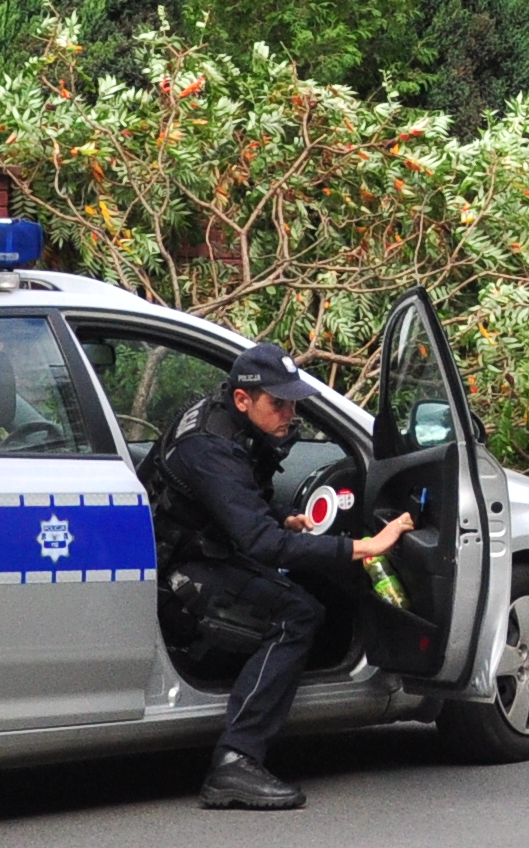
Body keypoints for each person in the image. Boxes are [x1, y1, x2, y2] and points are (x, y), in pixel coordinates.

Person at [166, 343, 415, 813]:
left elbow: (234, 506)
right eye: (278, 404)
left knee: (298, 594)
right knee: (296, 614)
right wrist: (364, 547)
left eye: (294, 402)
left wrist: (282, 516)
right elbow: (261, 544)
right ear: (243, 400)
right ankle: (236, 760)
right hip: (181, 572)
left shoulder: (224, 422)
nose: (289, 414)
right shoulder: (210, 448)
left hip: (201, 549)